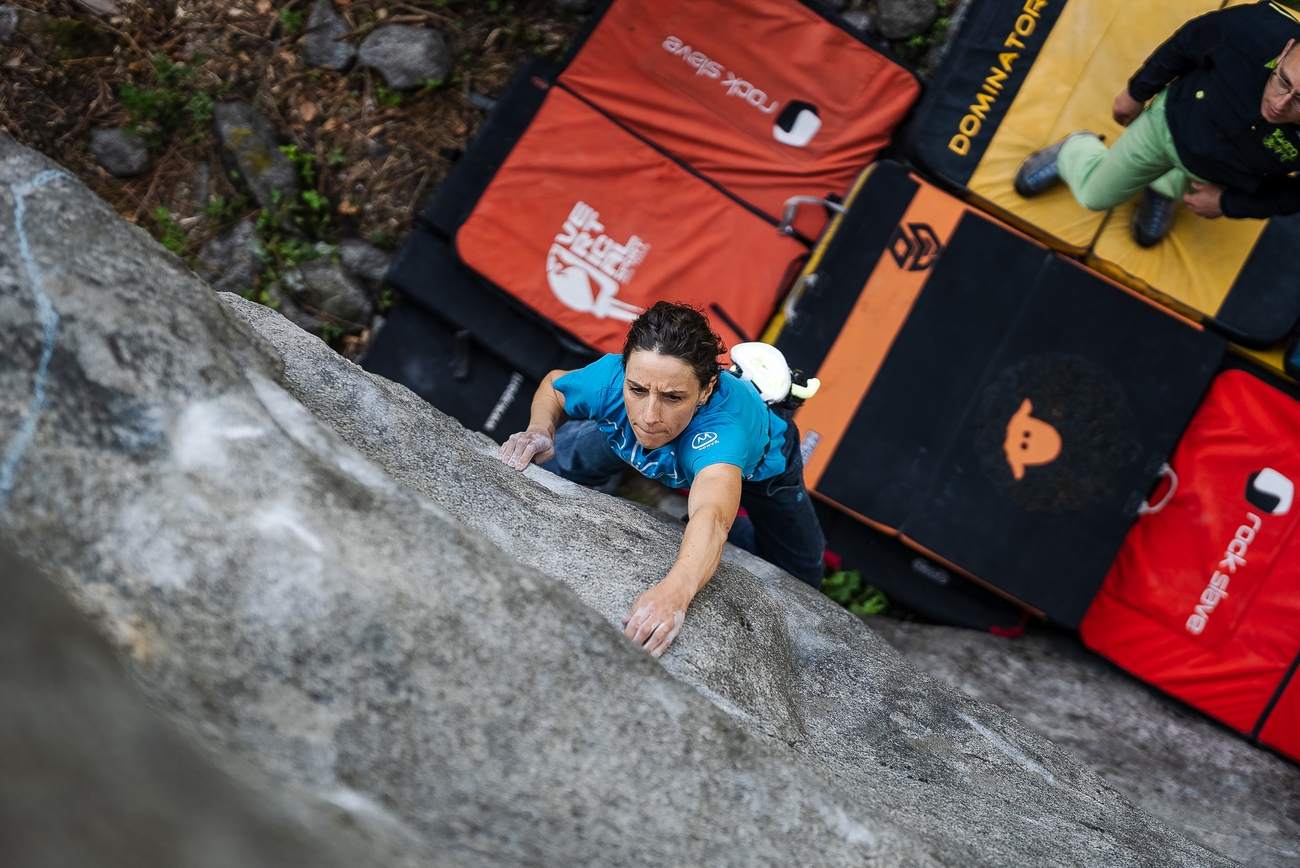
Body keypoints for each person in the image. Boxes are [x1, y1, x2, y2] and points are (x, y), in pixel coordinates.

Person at [496, 302, 825, 658]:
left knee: (800, 575)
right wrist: (539, 430)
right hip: (637, 437)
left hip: (764, 470)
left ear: (705, 389)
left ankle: (725, 537)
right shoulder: (611, 382)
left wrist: (674, 595)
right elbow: (554, 387)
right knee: (562, 461)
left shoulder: (725, 434)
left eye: (672, 396)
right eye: (637, 390)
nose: (650, 415)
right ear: (624, 373)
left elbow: (712, 516)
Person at [1014, 1, 1300, 246]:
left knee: (1175, 184)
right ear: (1286, 50)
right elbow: (1190, 41)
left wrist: (1227, 204)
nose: (1279, 105)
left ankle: (1162, 187)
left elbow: (1295, 196)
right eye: (1282, 81)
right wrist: (1138, 91)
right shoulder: (1259, 26)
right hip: (1169, 125)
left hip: (1224, 175)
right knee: (1094, 196)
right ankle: (1073, 150)